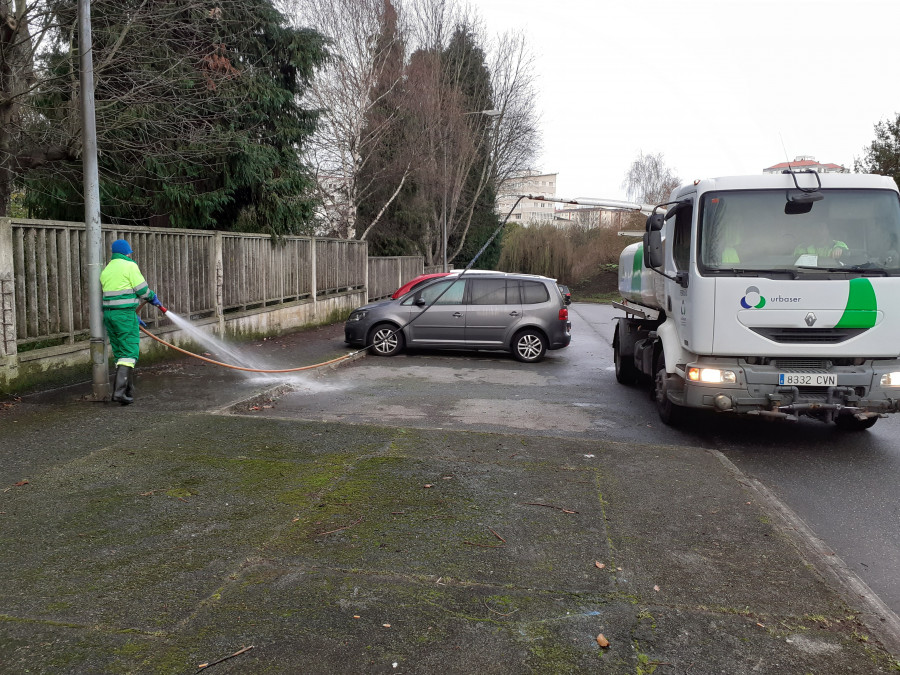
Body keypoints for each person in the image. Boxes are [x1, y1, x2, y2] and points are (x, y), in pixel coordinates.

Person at [99, 239, 163, 404]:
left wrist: (132, 314)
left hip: (110, 315)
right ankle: (119, 393)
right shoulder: (129, 266)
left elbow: (115, 296)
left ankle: (127, 390)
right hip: (124, 316)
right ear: (126, 252)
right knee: (129, 352)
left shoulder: (106, 269)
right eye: (129, 253)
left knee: (121, 353)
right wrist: (153, 298)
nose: (130, 255)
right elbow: (142, 290)